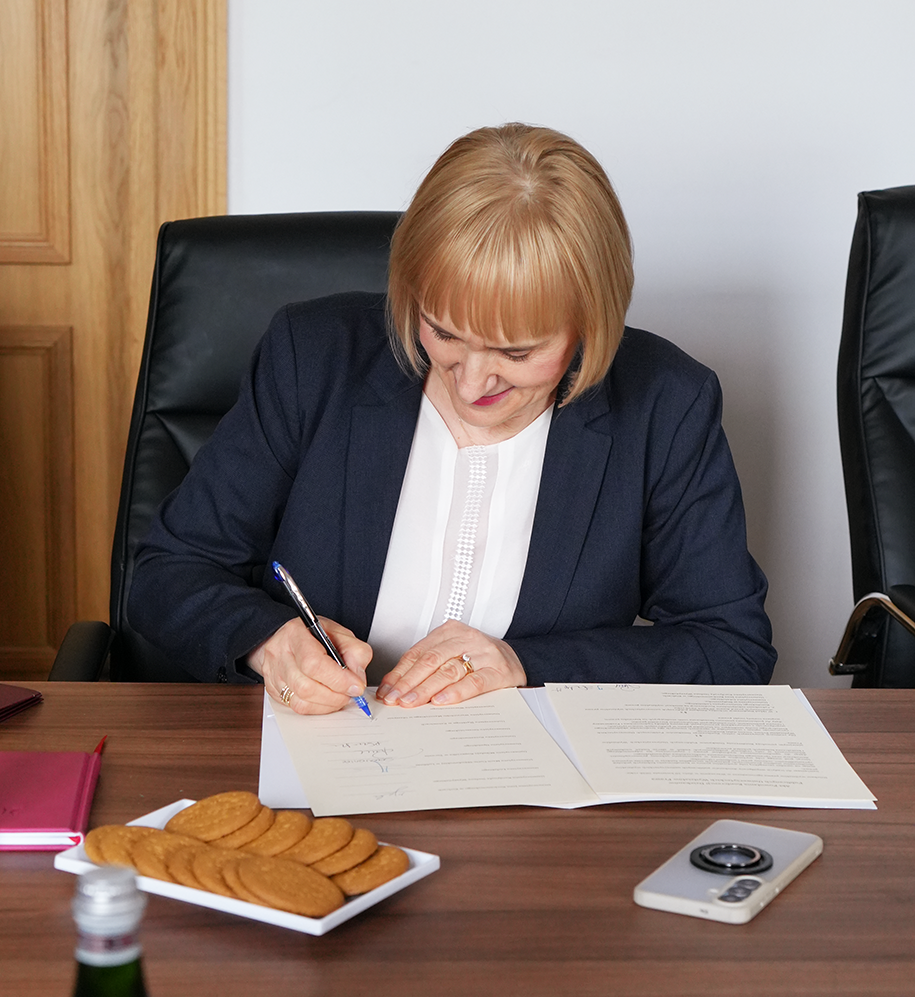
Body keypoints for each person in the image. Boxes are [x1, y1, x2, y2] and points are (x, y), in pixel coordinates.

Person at [128, 123, 776, 714]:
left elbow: (729, 647)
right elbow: (167, 571)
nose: (470, 383)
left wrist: (524, 664)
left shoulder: (665, 405)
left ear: (590, 323)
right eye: (443, 333)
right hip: (317, 751)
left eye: (516, 353)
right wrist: (268, 642)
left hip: (528, 781)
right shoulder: (314, 357)